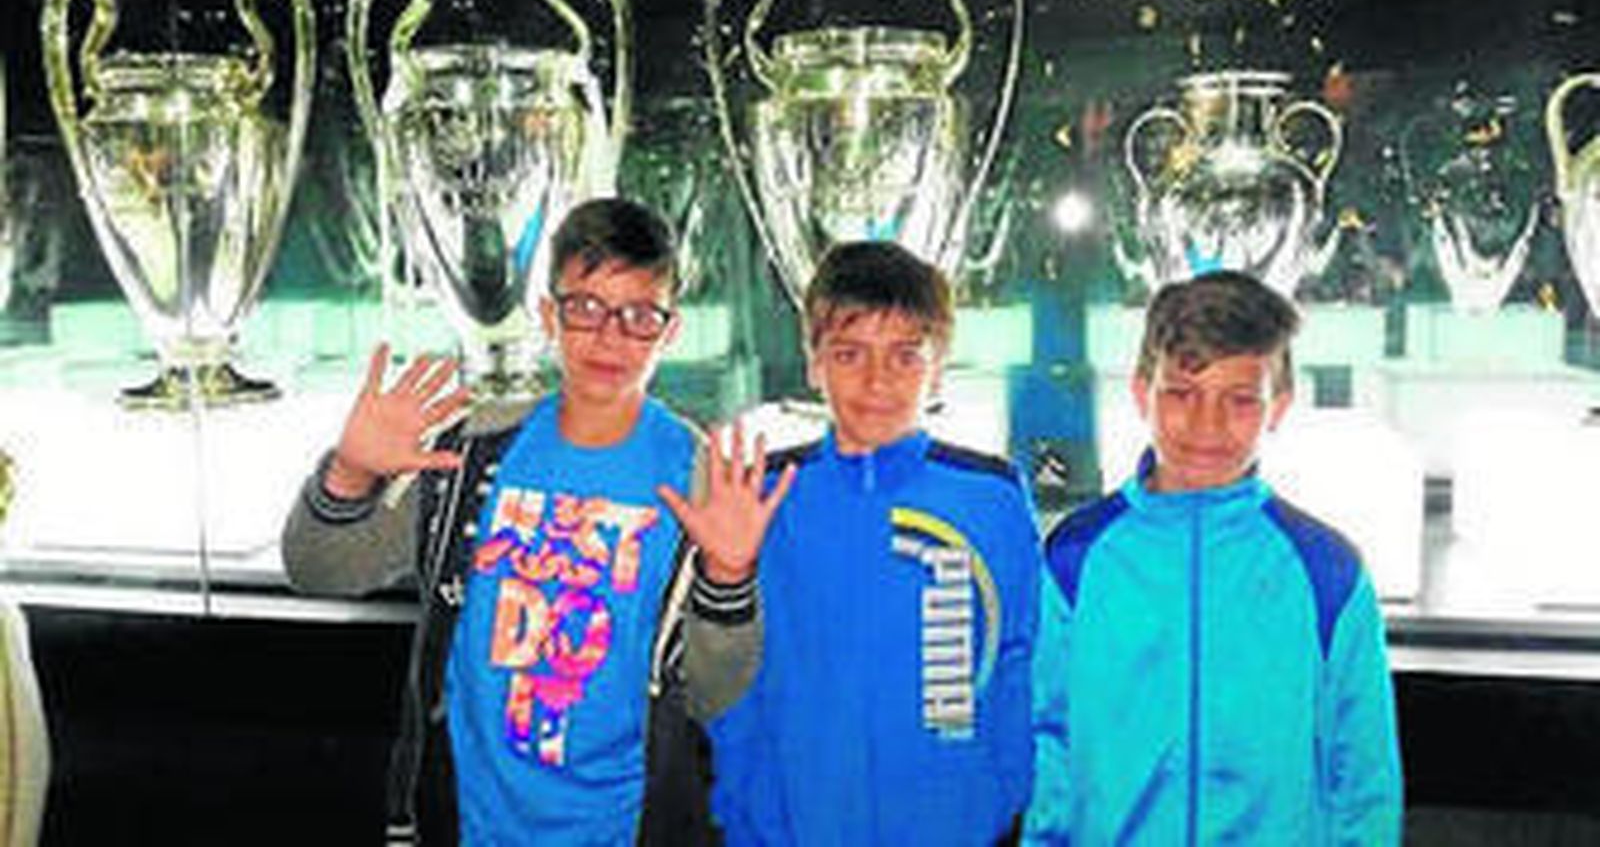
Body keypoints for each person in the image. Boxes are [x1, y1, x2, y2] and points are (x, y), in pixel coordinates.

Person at [282, 197, 789, 846]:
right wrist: (350, 472)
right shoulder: (474, 452)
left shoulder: (701, 479)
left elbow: (715, 696)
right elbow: (319, 569)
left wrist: (728, 578)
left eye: (639, 316)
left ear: (669, 331)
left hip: (625, 826)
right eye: (586, 308)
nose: (610, 337)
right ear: (549, 316)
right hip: (469, 822)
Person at [1025, 269, 1403, 845]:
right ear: (1141, 393)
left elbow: (1363, 776)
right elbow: (1045, 744)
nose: (1208, 425)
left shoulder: (1326, 570)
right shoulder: (1077, 559)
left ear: (1278, 407)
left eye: (1241, 400)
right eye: (1182, 394)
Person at [694, 241, 1040, 846]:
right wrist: (747, 810)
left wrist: (995, 803)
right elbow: (718, 685)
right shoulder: (760, 496)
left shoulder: (991, 499)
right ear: (813, 363)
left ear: (938, 366)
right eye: (848, 354)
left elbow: (1023, 669)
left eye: (905, 355)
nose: (877, 380)